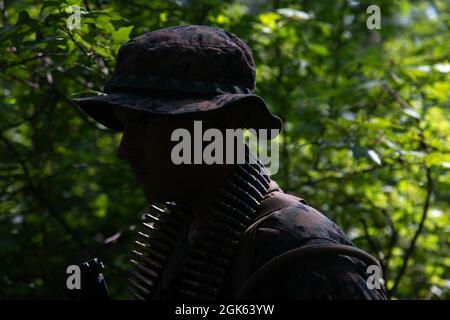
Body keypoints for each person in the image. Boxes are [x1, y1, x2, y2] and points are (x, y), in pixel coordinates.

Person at [73, 25, 388, 300]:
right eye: (125, 125)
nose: (125, 150)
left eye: (147, 124)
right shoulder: (184, 229)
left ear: (221, 125)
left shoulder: (301, 252)